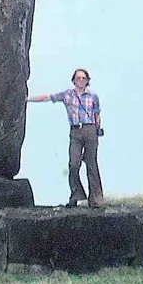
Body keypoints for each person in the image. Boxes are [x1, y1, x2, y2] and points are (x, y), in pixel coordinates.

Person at [28, 69, 105, 206]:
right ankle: (76, 195)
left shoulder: (93, 96)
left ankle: (96, 199)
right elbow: (49, 97)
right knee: (74, 164)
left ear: (87, 80)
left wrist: (98, 130)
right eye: (78, 78)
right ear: (74, 80)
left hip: (90, 129)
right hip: (75, 131)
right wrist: (29, 100)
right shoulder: (68, 95)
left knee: (91, 164)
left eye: (83, 78)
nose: (81, 80)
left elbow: (97, 114)